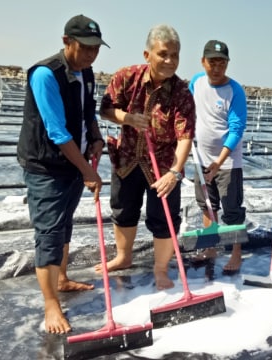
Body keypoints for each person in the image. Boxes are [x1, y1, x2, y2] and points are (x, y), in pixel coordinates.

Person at [16, 14, 108, 334]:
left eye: (96, 49)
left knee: (64, 224)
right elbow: (56, 131)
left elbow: (87, 113)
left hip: (73, 162)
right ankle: (50, 304)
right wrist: (88, 172)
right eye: (85, 48)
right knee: (49, 233)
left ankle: (62, 278)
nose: (91, 55)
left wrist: (96, 139)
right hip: (47, 166)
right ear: (66, 41)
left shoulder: (87, 72)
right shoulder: (46, 75)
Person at [97, 24, 195, 290]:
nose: (170, 61)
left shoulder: (182, 93)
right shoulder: (126, 77)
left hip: (163, 166)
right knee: (123, 210)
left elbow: (185, 136)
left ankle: (161, 269)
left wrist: (175, 172)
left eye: (175, 55)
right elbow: (105, 108)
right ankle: (123, 257)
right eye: (163, 54)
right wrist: (127, 118)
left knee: (163, 218)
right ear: (147, 54)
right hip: (127, 158)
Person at [188, 40, 247, 273]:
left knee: (231, 209)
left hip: (227, 162)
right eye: (212, 61)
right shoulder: (196, 82)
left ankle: (236, 254)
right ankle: (210, 246)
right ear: (203, 61)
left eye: (222, 62)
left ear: (227, 64)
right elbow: (187, 108)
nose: (217, 67)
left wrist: (218, 162)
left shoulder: (235, 90)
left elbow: (236, 129)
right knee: (206, 205)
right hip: (200, 158)